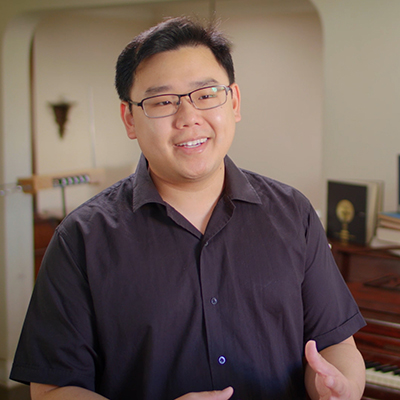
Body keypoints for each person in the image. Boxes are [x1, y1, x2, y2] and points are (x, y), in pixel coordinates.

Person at [10, 16, 366, 400]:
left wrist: (339, 387)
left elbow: (337, 345)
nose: (188, 118)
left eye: (206, 94)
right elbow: (53, 388)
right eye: (162, 101)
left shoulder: (293, 214)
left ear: (234, 102)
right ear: (129, 119)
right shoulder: (81, 238)